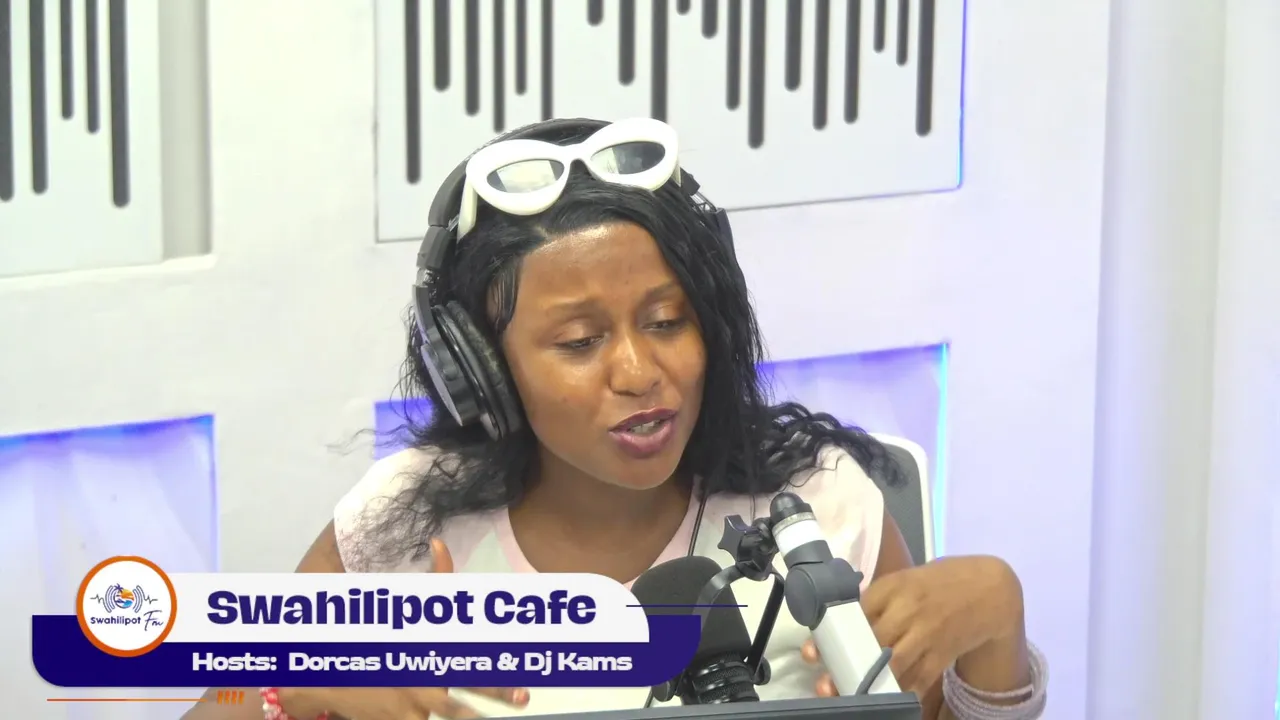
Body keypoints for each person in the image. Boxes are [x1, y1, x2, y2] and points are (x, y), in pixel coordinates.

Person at [183, 117, 1046, 720]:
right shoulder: (403, 523)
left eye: (667, 322)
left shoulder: (819, 504)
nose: (639, 373)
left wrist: (996, 624)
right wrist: (295, 685)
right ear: (483, 371)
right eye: (579, 341)